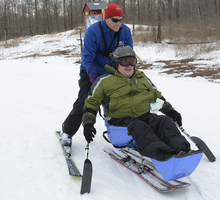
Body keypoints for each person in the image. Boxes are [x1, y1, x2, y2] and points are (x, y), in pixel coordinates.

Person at [82, 46, 191, 161]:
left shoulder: (142, 77)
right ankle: (164, 154)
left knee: (163, 121)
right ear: (116, 62)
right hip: (121, 121)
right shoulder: (104, 81)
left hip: (144, 116)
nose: (129, 66)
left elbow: (156, 96)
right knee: (140, 127)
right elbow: (91, 103)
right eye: (125, 62)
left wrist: (170, 111)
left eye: (132, 61)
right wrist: (88, 124)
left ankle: (183, 150)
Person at [61, 3, 133, 147]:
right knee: (85, 101)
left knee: (123, 101)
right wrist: (94, 79)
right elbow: (87, 59)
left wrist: (128, 75)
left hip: (113, 72)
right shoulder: (93, 31)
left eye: (121, 19)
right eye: (115, 20)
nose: (118, 23)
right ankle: (67, 132)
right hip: (90, 71)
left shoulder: (125, 31)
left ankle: (126, 133)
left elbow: (128, 55)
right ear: (106, 18)